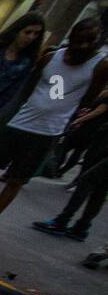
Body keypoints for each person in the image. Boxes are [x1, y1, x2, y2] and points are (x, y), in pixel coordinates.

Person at [0, 18, 108, 240]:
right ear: (73, 38)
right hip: (19, 124)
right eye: (81, 40)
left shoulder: (99, 65)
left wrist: (66, 114)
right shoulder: (51, 57)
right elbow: (28, 89)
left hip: (47, 132)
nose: (85, 46)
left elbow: (88, 98)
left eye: (91, 42)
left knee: (16, 180)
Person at [33, 86, 108, 241]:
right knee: (99, 189)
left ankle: (63, 221)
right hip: (102, 142)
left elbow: (101, 109)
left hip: (102, 143)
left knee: (87, 180)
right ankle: (81, 227)